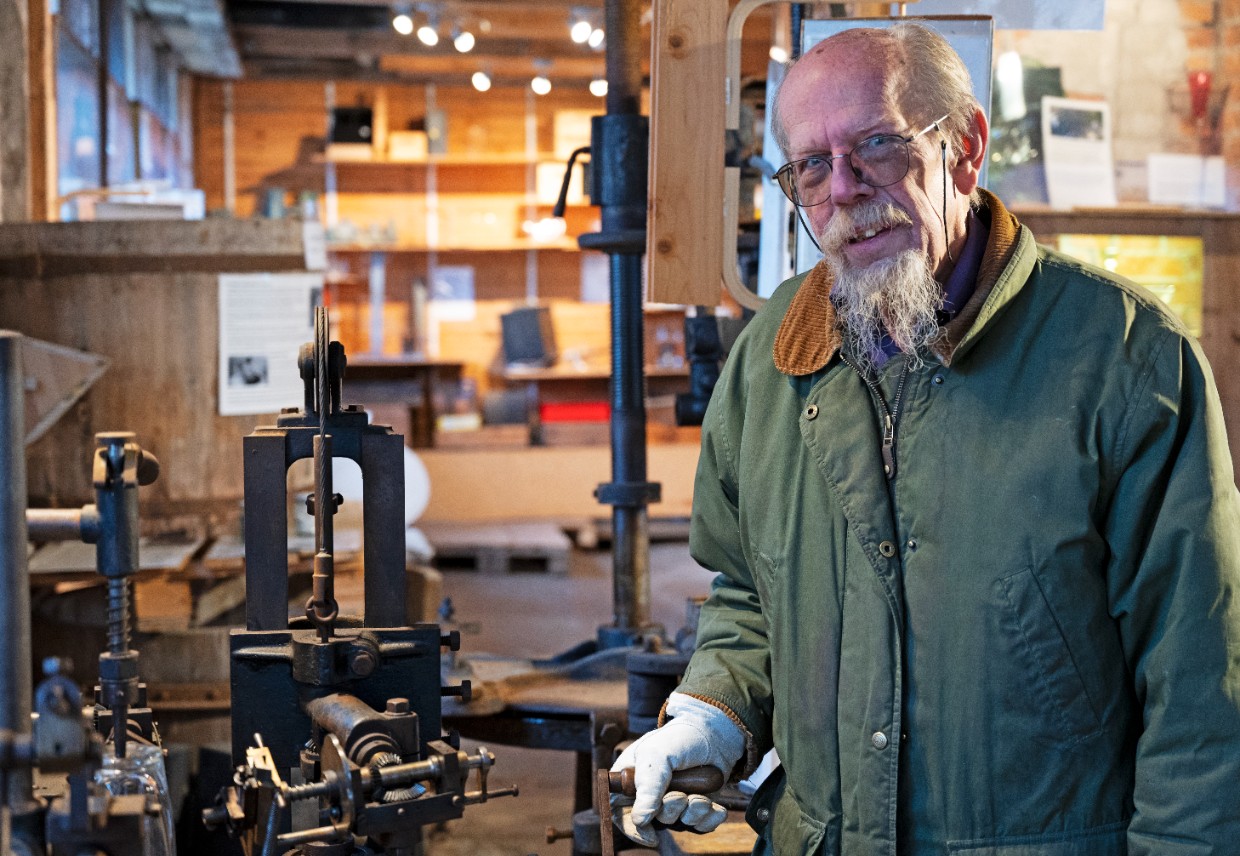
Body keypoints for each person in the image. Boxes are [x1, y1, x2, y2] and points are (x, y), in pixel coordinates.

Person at [611, 21, 1240, 855]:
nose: (843, 189)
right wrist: (710, 718)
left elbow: (1199, 677)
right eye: (810, 165)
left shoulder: (1126, 359)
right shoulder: (769, 363)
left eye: (876, 145)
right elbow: (749, 594)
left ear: (965, 149)